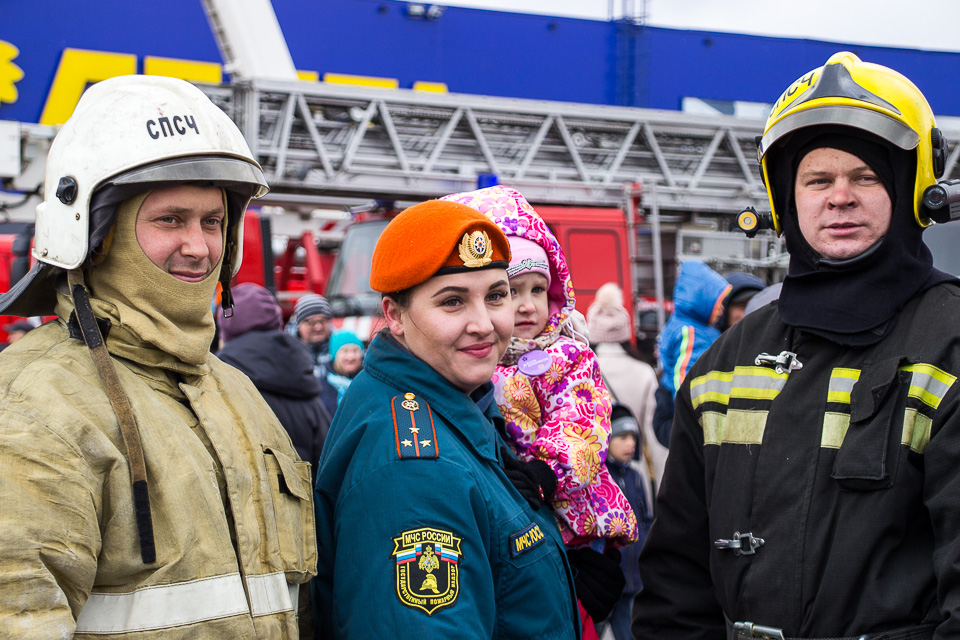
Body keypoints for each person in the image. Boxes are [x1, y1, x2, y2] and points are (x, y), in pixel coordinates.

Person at [634, 51, 960, 639]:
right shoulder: (725, 363)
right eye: (818, 180)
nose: (840, 196)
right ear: (786, 199)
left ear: (913, 189)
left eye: (865, 176)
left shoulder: (950, 344)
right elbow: (675, 588)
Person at [0, 76, 316, 637]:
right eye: (170, 219)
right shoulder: (33, 405)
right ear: (95, 233)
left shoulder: (236, 391)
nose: (199, 247)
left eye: (213, 222)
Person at [314, 198, 612, 640]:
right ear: (395, 316)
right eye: (453, 302)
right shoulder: (416, 470)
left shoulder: (458, 401)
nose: (484, 324)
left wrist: (559, 578)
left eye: (496, 296)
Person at [443, 184, 633, 631]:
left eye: (539, 289)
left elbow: (581, 420)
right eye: (511, 291)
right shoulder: (478, 361)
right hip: (522, 517)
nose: (528, 305)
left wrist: (548, 471)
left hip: (574, 515)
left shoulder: (568, 354)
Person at [216, 282, 333, 479]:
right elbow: (328, 463)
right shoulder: (302, 378)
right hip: (304, 497)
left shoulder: (216, 387)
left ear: (226, 330)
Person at [586, 282, 666, 494]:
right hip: (636, 478)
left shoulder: (582, 372)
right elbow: (656, 440)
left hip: (593, 480)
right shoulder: (644, 371)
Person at [651, 260, 731, 447]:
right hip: (687, 412)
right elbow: (684, 377)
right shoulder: (691, 332)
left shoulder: (690, 326)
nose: (722, 309)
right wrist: (692, 416)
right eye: (717, 303)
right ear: (701, 301)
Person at [601, 404, 653, 640]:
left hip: (633, 581)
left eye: (633, 437)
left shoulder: (636, 477)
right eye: (622, 437)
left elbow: (646, 521)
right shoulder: (600, 476)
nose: (630, 443)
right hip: (606, 579)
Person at [292, 293, 334, 377]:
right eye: (311, 322)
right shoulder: (287, 352)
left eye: (323, 320)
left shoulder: (341, 348)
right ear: (298, 325)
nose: (318, 327)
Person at [324, 329, 364, 406]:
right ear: (334, 355)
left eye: (355, 350)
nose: (351, 356)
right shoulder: (321, 386)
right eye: (345, 351)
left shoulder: (369, 383)